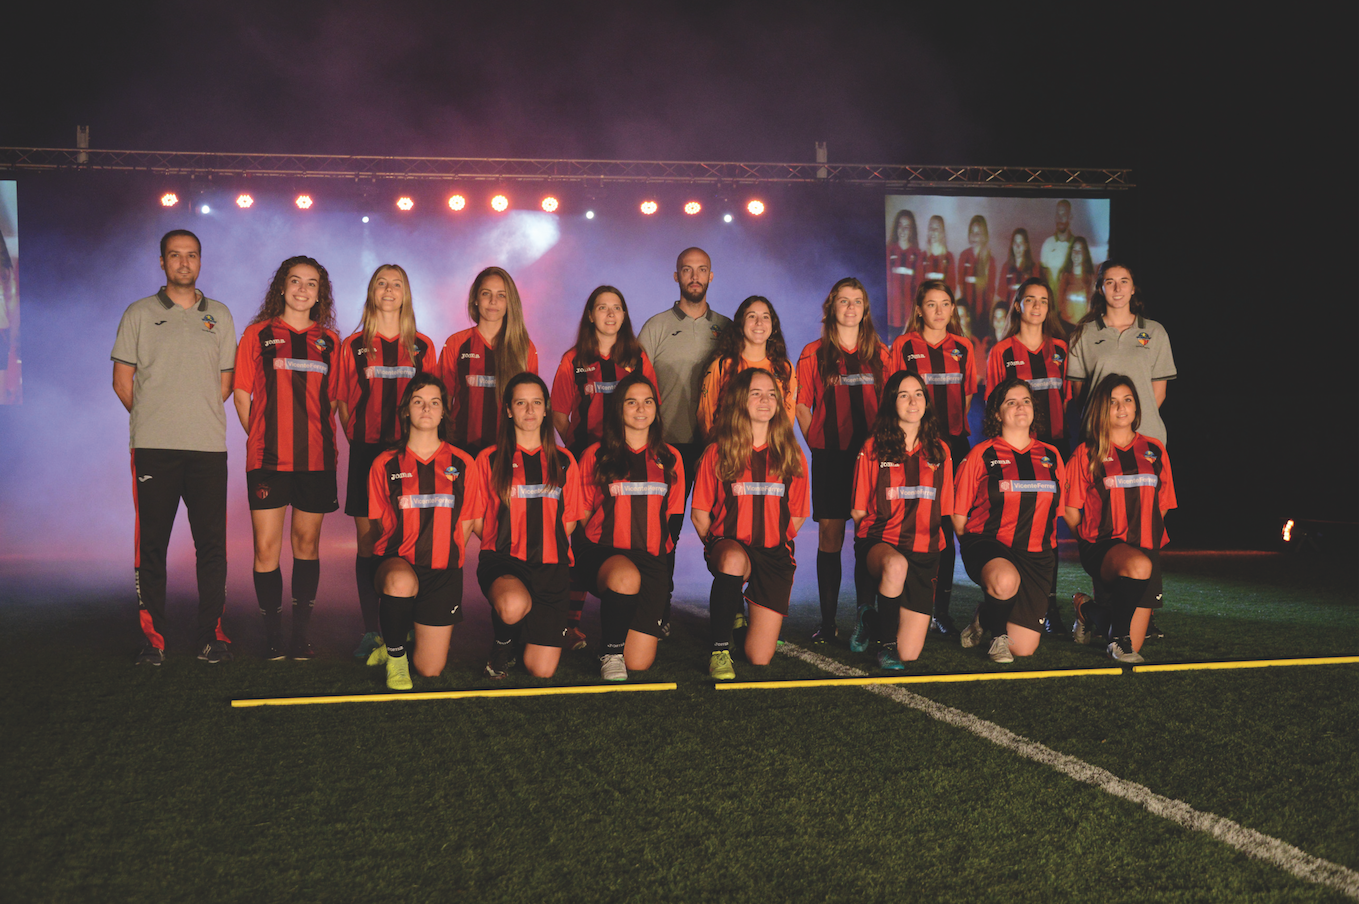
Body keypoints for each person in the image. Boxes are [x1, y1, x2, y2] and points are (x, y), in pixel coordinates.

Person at [111, 230, 237, 665]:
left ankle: (211, 637)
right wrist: (155, 416)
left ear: (201, 261)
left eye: (192, 256)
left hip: (206, 449)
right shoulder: (140, 313)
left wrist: (191, 414)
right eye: (175, 256)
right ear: (161, 261)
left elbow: (223, 385)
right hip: (153, 448)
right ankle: (154, 640)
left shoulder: (219, 315)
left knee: (212, 547)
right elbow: (122, 382)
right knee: (152, 547)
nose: (184, 263)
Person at [234, 256, 341, 660]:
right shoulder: (257, 334)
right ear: (281, 286)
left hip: (316, 461)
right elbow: (242, 394)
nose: (302, 289)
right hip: (267, 460)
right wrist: (260, 436)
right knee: (266, 547)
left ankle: (300, 635)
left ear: (320, 293)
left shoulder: (331, 341)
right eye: (295, 281)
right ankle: (272, 635)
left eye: (311, 284)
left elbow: (333, 402)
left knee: (307, 544)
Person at [334, 264, 435, 662]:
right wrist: (360, 443)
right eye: (381, 283)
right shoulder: (353, 344)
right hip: (366, 451)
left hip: (409, 454)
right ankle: (372, 631)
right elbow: (342, 402)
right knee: (367, 541)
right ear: (371, 292)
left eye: (396, 284)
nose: (389, 289)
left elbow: (432, 403)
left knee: (407, 535)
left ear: (406, 293)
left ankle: (405, 624)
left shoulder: (423, 346)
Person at [552, 285, 657, 648]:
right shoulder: (573, 359)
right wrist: (580, 449)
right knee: (581, 537)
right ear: (590, 315)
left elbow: (650, 402)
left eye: (616, 308)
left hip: (627, 460)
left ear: (625, 316)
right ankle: (567, 622)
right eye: (602, 308)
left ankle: (646, 613)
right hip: (588, 461)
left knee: (623, 533)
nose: (610, 314)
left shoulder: (638, 357)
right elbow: (558, 410)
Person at [691, 369, 810, 680]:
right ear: (740, 400)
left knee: (759, 658)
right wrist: (716, 548)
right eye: (756, 393)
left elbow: (797, 513)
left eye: (771, 394)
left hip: (773, 555)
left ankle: (738, 616)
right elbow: (700, 514)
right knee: (731, 560)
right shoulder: (718, 451)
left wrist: (770, 536)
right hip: (731, 547)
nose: (765, 400)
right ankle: (719, 650)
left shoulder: (791, 454)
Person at [366, 374, 480, 690]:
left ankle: (403, 630)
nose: (426, 408)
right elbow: (380, 524)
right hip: (398, 562)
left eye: (434, 402)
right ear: (406, 410)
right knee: (401, 582)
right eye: (418, 402)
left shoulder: (464, 462)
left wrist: (445, 550)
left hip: (443, 572)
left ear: (444, 411)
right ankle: (395, 656)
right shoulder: (384, 464)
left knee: (430, 669)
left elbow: (468, 521)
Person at [637, 247, 731, 620]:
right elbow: (636, 386)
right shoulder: (656, 326)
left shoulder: (726, 328)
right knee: (666, 530)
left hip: (715, 448)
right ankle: (657, 608)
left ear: (711, 276)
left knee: (726, 527)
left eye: (702, 270)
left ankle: (732, 607)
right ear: (676, 276)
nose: (695, 276)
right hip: (666, 447)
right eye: (687, 270)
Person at [794, 277, 890, 645]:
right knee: (830, 534)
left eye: (857, 301)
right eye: (843, 301)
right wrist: (817, 443)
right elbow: (802, 405)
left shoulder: (882, 353)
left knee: (868, 533)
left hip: (872, 459)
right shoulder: (812, 353)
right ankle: (829, 620)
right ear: (831, 308)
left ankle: (867, 619)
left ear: (865, 309)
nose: (850, 308)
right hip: (831, 457)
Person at [471, 373, 584, 679]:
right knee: (512, 603)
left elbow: (570, 519)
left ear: (546, 408)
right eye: (521, 403)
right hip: (505, 560)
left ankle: (525, 637)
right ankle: (502, 646)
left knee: (541, 670)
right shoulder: (489, 459)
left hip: (552, 566)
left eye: (536, 403)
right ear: (508, 409)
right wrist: (507, 540)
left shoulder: (564, 461)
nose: (530, 411)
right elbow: (478, 519)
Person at [574, 372, 685, 681]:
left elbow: (672, 517)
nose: (640, 409)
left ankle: (616, 641)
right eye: (632, 402)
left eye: (648, 402)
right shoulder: (595, 455)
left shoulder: (671, 457)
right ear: (618, 409)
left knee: (639, 663)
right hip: (604, 554)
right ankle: (610, 651)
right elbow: (583, 515)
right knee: (624, 575)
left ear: (656, 409)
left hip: (650, 560)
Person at [1063, 374, 1177, 663]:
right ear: (1102, 409)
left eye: (1127, 400)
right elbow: (1071, 509)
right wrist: (1088, 541)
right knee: (1138, 570)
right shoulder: (1087, 453)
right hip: (1103, 546)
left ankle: (1086, 612)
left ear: (1137, 407)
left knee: (1136, 642)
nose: (1122, 407)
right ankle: (1116, 642)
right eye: (1113, 402)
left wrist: (1146, 536)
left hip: (1145, 546)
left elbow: (1162, 504)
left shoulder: (1154, 450)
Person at [953, 377, 1065, 663]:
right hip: (990, 544)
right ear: (997, 413)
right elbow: (958, 515)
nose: (1020, 407)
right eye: (1011, 402)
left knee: (1025, 648)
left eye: (1026, 401)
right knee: (1003, 579)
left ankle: (985, 616)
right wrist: (975, 551)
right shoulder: (981, 454)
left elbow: (1057, 513)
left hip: (1037, 556)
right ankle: (997, 637)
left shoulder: (1051, 456)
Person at [850, 372, 953, 669]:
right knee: (895, 566)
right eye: (903, 394)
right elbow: (858, 511)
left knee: (911, 653)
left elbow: (943, 509)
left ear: (926, 401)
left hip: (924, 554)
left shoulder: (941, 451)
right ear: (892, 402)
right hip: (882, 544)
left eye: (918, 393)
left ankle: (869, 618)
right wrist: (871, 560)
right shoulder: (873, 447)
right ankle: (885, 647)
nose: (912, 401)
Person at [890, 280, 976, 636]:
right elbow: (892, 394)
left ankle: (940, 610)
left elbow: (967, 396)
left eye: (945, 304)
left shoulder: (964, 347)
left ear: (952, 309)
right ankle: (900, 604)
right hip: (912, 445)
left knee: (945, 528)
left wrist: (950, 435)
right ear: (919, 309)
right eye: (931, 304)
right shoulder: (903, 345)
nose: (938, 311)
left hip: (952, 446)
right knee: (906, 522)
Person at [986, 277, 1071, 634]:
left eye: (1043, 301)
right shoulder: (1001, 351)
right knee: (1012, 527)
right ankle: (1002, 599)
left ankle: (1048, 604)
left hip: (1051, 448)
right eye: (1030, 300)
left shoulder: (1061, 350)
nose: (1037, 307)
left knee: (1048, 529)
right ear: (1017, 304)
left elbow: (1066, 398)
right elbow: (994, 403)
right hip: (1012, 450)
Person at [1067, 260, 1176, 446]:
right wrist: (1104, 420)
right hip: (1098, 436)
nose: (1118, 288)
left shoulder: (1155, 332)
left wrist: (1128, 422)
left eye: (1124, 281)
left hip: (1146, 435)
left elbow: (1159, 393)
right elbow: (1080, 396)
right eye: (1110, 282)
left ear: (1133, 288)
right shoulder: (1083, 334)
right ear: (1101, 289)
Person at [438, 266, 538, 457]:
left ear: (510, 302)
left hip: (509, 451)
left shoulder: (524, 348)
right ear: (475, 299)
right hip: (461, 449)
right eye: (486, 294)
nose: (493, 301)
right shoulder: (456, 344)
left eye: (501, 295)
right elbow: (442, 402)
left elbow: (529, 407)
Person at [696, 295, 797, 439]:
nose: (759, 322)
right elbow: (705, 414)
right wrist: (715, 450)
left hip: (769, 452)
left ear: (773, 326)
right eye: (752, 316)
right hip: (728, 451)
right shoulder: (722, 365)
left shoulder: (784, 368)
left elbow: (788, 414)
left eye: (765, 317)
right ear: (741, 325)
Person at [957, 214, 999, 328]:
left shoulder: (990, 260)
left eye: (978, 233)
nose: (975, 236)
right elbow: (960, 284)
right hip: (966, 313)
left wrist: (987, 313)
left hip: (983, 314)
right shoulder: (964, 256)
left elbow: (991, 290)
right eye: (972, 232)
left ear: (984, 236)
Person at [886, 209, 923, 333]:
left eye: (907, 227)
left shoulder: (917, 255)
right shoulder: (888, 251)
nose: (902, 230)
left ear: (912, 231)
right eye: (900, 225)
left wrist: (913, 318)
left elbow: (919, 289)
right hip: (889, 317)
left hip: (909, 319)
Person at [1056, 236, 1096, 327]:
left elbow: (1092, 307)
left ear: (1085, 254)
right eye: (1074, 250)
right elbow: (1059, 302)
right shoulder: (1064, 277)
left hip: (1084, 327)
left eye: (1080, 251)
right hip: (1065, 326)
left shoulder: (1090, 279)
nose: (1076, 253)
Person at [1039, 200, 1075, 300]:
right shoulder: (1047, 244)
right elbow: (1043, 279)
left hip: (1070, 305)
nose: (1060, 218)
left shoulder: (1077, 245)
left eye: (1063, 214)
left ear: (1070, 216)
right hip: (1052, 304)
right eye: (1058, 215)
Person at [997, 228, 1041, 307]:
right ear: (1012, 246)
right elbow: (1001, 295)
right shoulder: (1006, 267)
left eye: (1021, 243)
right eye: (1015, 243)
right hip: (1009, 312)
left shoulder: (1033, 268)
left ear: (1026, 246)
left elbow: (1036, 294)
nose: (1018, 247)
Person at [919, 215, 955, 295]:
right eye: (931, 228)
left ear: (942, 232)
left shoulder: (949, 257)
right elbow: (919, 284)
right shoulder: (922, 256)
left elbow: (952, 287)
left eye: (937, 228)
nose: (933, 231)